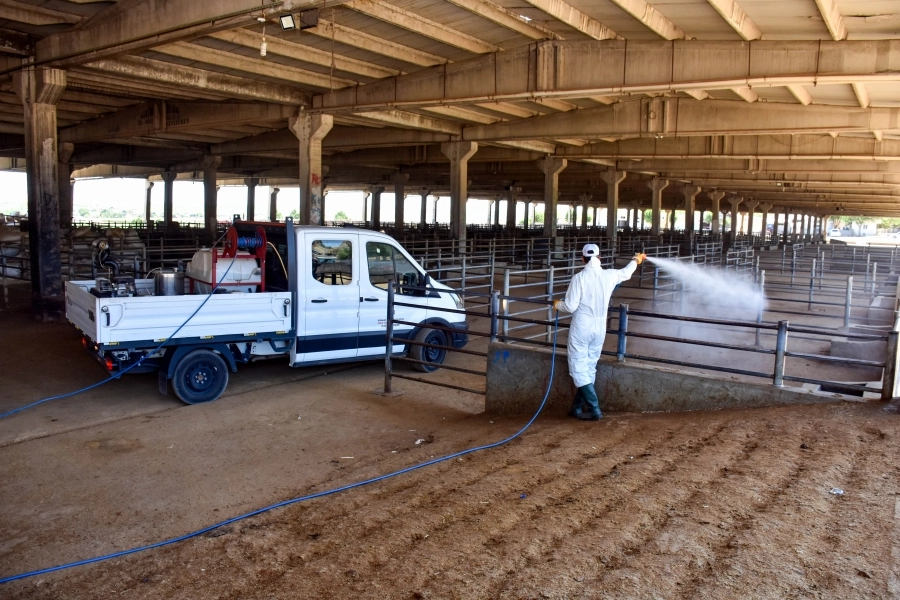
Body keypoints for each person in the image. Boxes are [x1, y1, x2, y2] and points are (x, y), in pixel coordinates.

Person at [553, 245, 646, 420]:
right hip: (599, 328)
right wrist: (636, 259)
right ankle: (577, 408)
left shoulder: (579, 278)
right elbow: (626, 273)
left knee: (578, 368)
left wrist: (558, 304)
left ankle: (595, 410)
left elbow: (571, 306)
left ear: (582, 259)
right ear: (600, 257)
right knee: (589, 366)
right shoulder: (609, 275)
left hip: (582, 327)